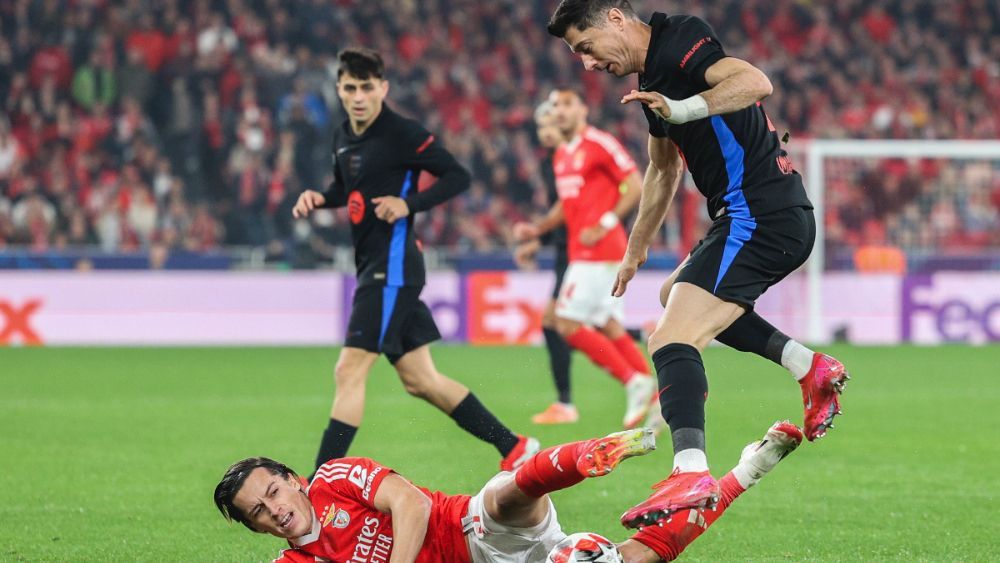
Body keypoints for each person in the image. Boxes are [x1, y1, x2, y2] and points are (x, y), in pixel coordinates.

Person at [546, 0, 850, 527]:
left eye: (585, 47)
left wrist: (683, 106)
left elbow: (753, 81)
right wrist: (636, 247)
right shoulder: (651, 82)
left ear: (615, 18)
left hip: (760, 214)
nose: (587, 63)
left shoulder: (680, 38)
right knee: (672, 299)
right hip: (748, 215)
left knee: (669, 338)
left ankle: (690, 471)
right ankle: (809, 367)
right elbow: (662, 170)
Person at [292, 47, 536, 473]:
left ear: (383, 88)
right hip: (375, 265)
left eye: (367, 87)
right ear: (339, 90)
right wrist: (320, 197)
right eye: (350, 88)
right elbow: (346, 187)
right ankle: (514, 447)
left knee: (348, 370)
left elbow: (458, 175)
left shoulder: (402, 133)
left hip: (393, 266)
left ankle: (318, 482)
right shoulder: (342, 134)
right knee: (421, 380)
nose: (359, 96)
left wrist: (409, 204)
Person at [214, 422, 803, 562]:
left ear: (292, 478)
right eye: (259, 512)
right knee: (636, 558)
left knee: (503, 496)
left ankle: (581, 456)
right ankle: (750, 469)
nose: (276, 509)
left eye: (273, 491)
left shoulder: (334, 479)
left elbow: (411, 504)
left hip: (466, 528)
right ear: (256, 528)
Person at [514, 88, 656, 430]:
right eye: (555, 105)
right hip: (582, 251)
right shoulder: (563, 155)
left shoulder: (599, 143)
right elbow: (566, 204)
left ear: (582, 109)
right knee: (607, 325)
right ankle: (655, 393)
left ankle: (633, 381)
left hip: (599, 250)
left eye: (566, 104)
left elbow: (635, 184)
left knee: (564, 322)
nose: (559, 111)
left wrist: (606, 222)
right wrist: (539, 229)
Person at [512, 100, 577, 425]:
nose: (546, 133)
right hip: (568, 249)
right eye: (541, 128)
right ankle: (565, 402)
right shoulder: (552, 162)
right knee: (570, 324)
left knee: (557, 323)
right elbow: (564, 216)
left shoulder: (574, 160)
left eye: (551, 125)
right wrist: (539, 241)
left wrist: (537, 233)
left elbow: (571, 211)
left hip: (582, 250)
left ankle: (566, 403)